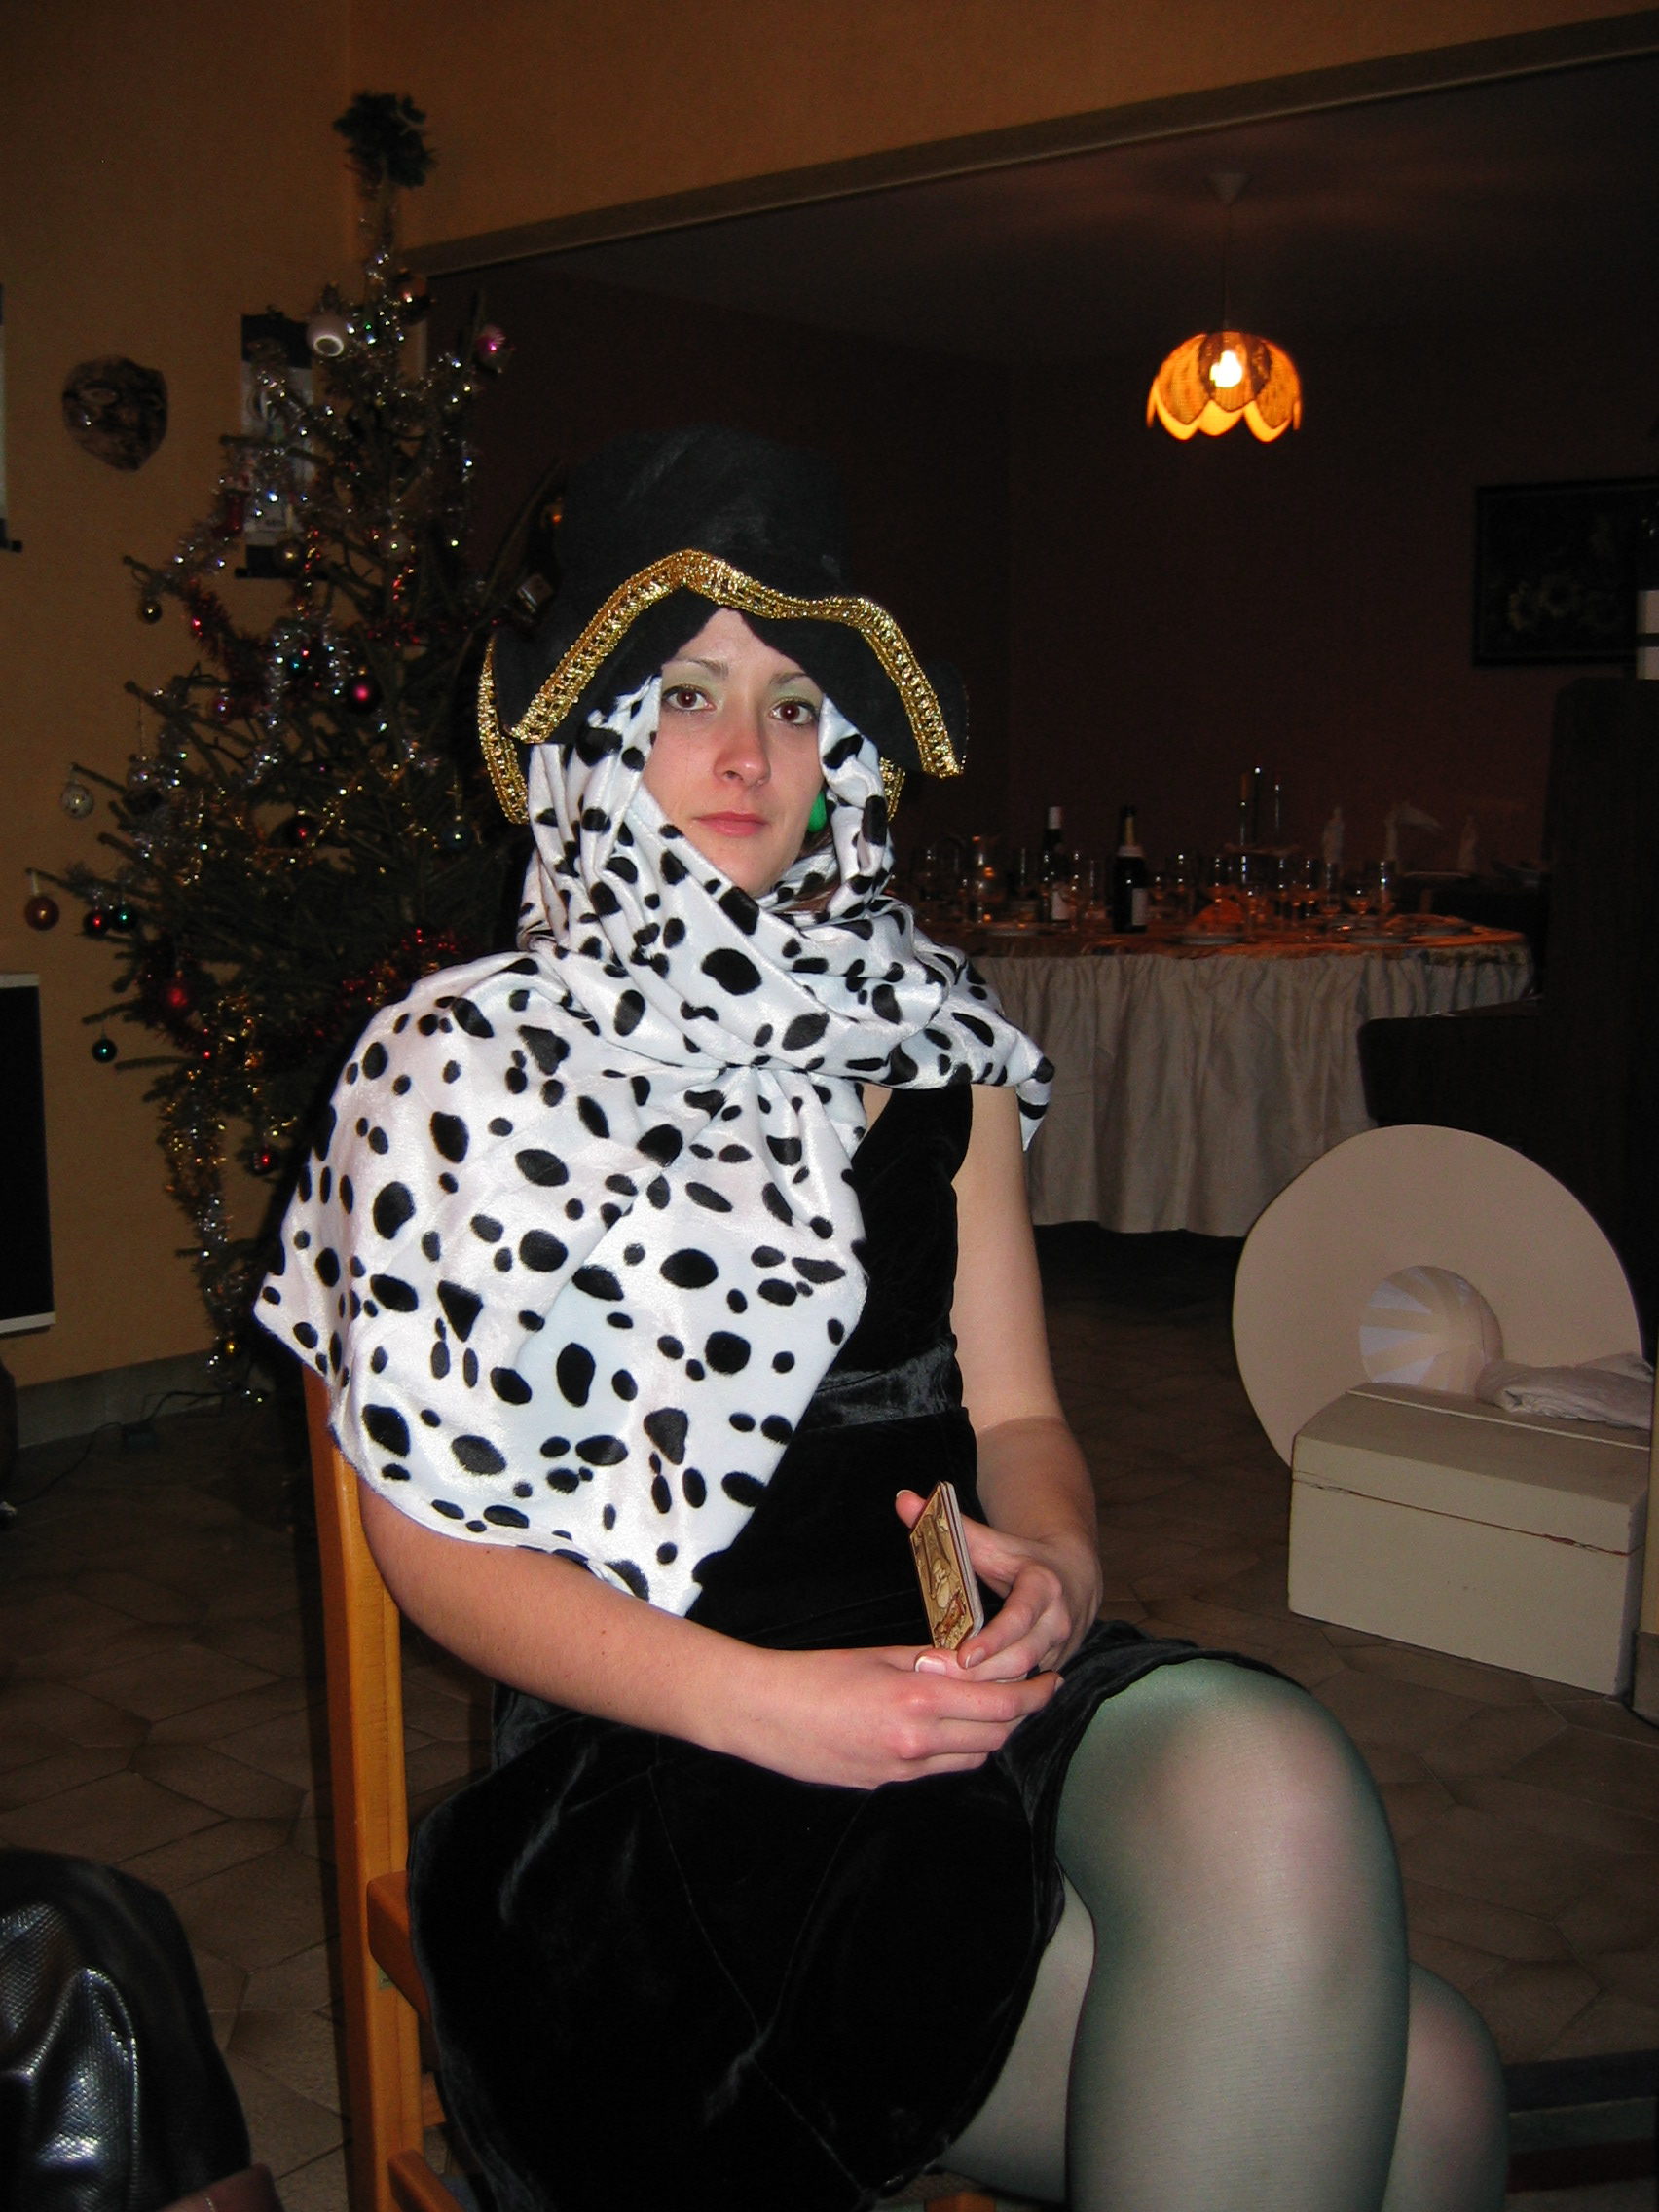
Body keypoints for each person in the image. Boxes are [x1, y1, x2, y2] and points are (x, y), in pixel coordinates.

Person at [260, 427, 1507, 2212]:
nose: (746, 755)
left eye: (794, 702)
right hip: (674, 1756)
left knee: (1276, 1781)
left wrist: (1062, 1562)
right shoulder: (462, 1066)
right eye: (684, 697)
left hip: (959, 1680)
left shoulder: (933, 1034)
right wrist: (772, 1710)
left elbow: (1018, 1417)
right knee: (1429, 2088)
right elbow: (432, 1547)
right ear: (589, 735)